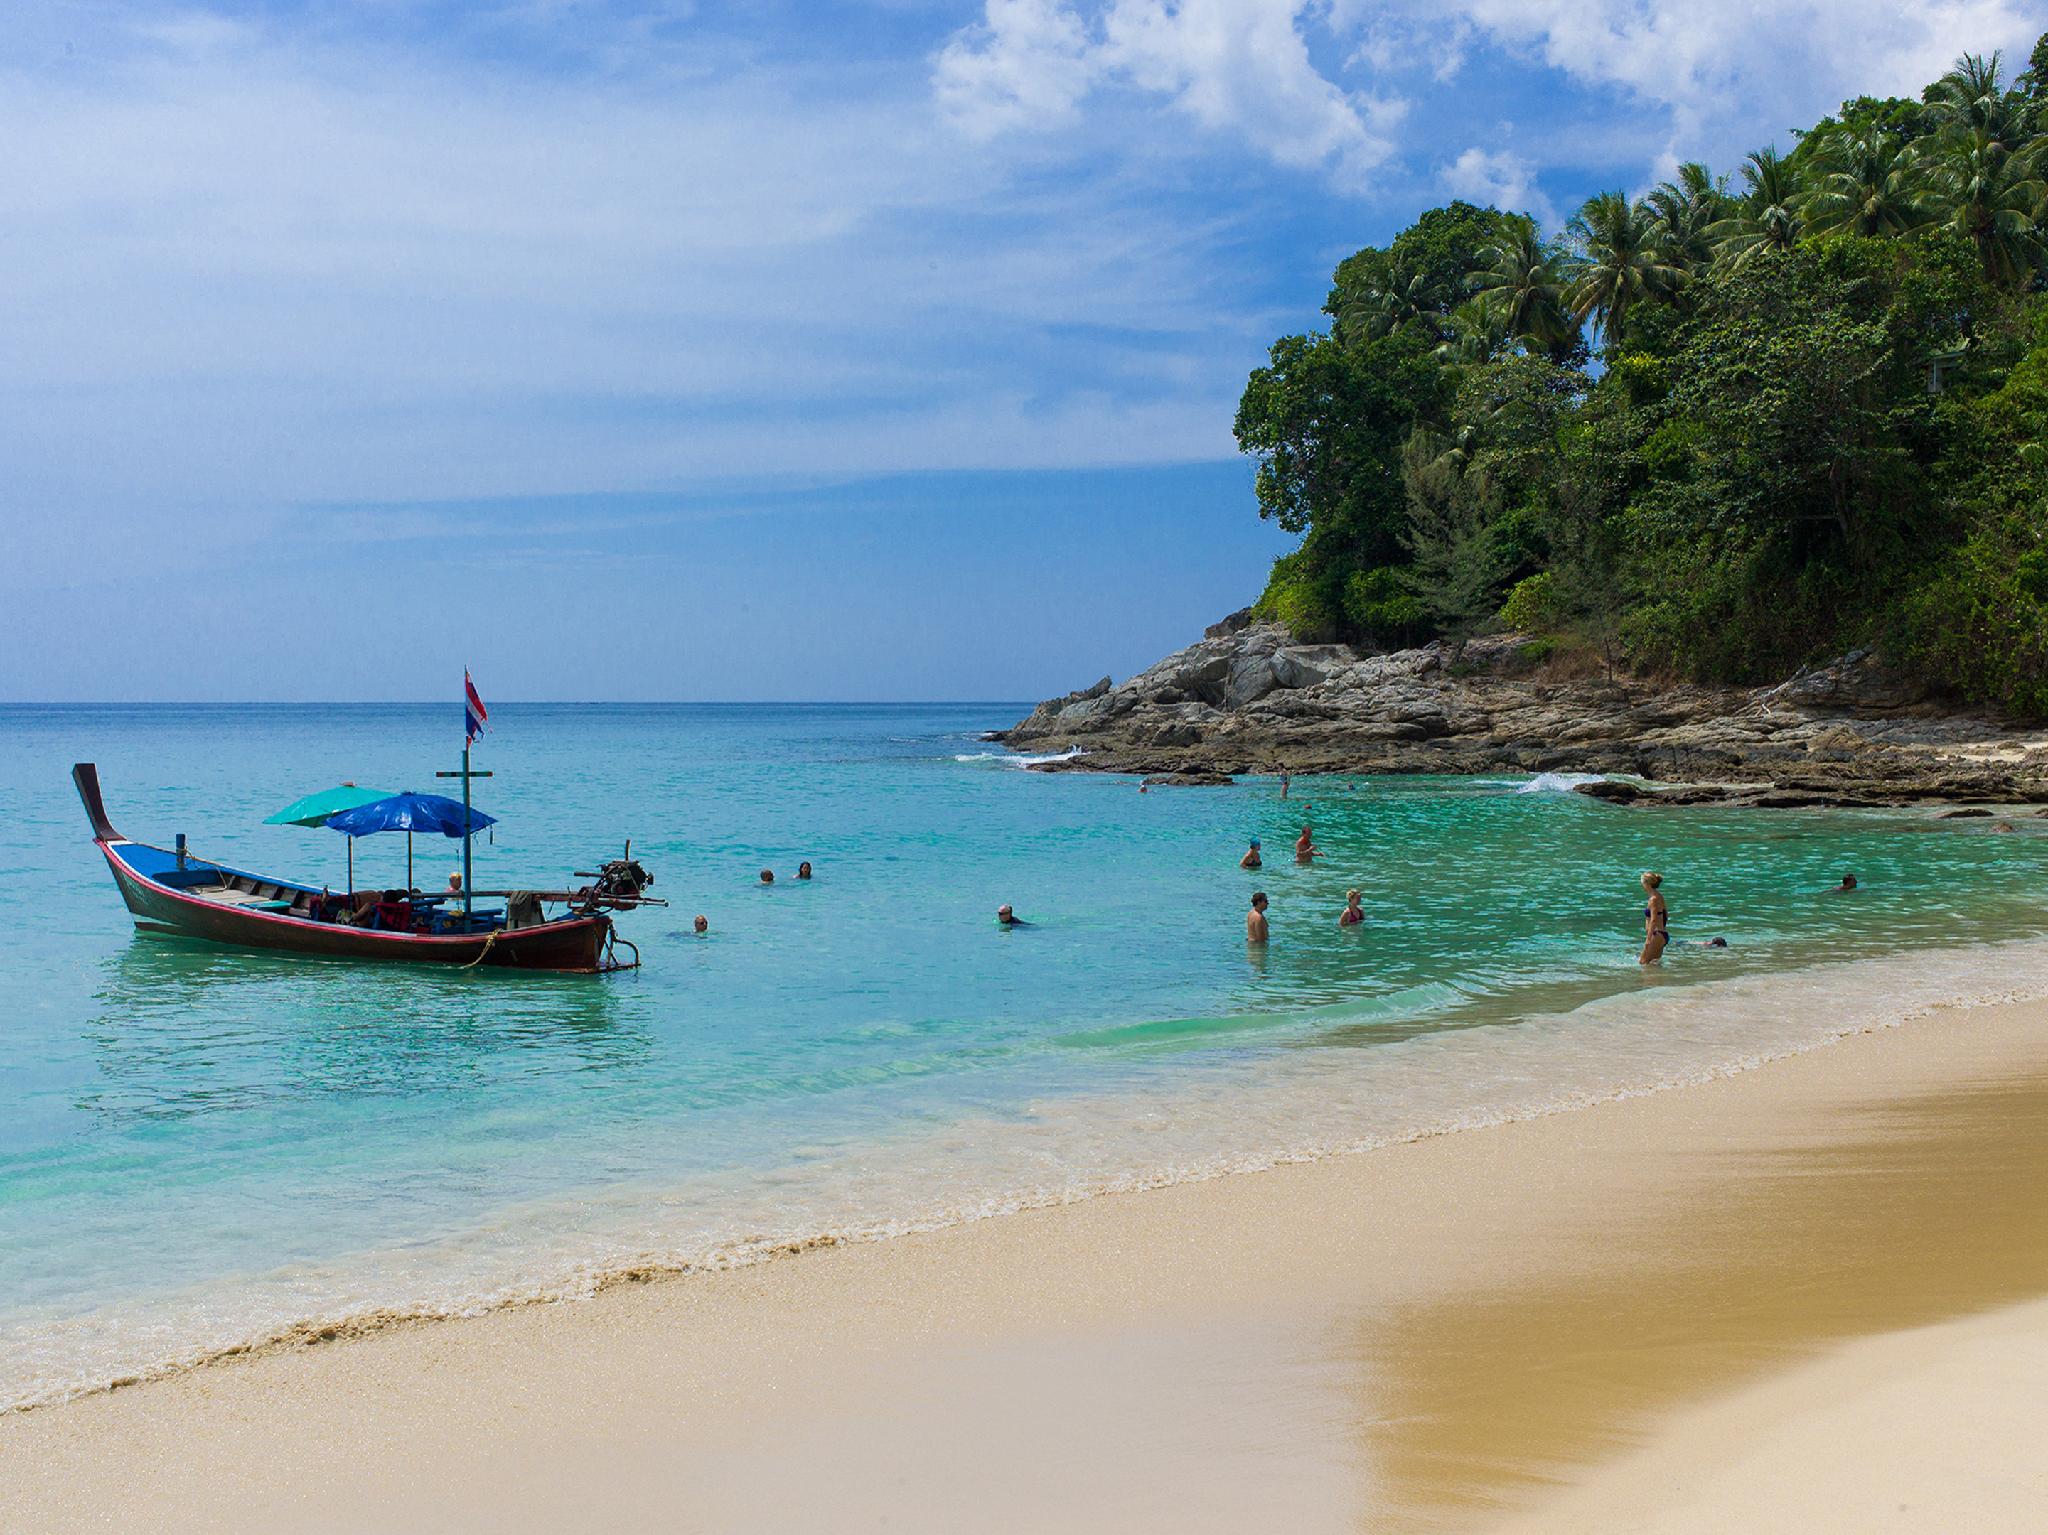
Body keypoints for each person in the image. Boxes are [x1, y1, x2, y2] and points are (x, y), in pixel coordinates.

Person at [1640, 871, 1669, 964]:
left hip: (1656, 935)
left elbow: (1653, 919)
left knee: (1643, 962)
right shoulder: (1659, 896)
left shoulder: (1653, 899)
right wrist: (1663, 930)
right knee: (1654, 964)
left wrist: (1648, 939)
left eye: (1642, 883)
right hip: (1661, 934)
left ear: (1647, 884)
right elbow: (1666, 915)